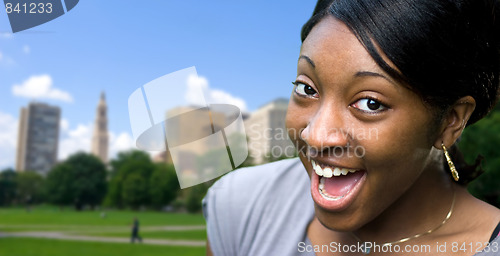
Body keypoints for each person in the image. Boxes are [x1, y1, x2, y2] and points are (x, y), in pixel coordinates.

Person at [203, 0, 500, 255]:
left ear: (451, 120)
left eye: (370, 103)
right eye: (307, 89)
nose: (315, 136)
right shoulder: (240, 206)